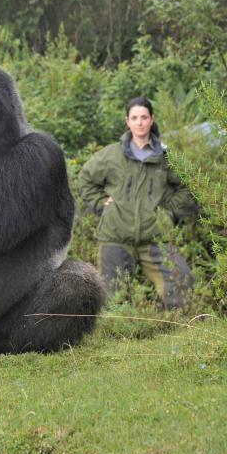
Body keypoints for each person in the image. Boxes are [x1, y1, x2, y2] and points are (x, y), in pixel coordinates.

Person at [78, 96, 196, 309]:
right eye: (134, 118)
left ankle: (174, 326)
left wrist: (168, 214)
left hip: (155, 236)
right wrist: (101, 202)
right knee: (112, 298)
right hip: (115, 235)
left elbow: (189, 186)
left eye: (144, 117)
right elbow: (86, 179)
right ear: (127, 121)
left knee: (181, 282)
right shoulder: (111, 155)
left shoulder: (165, 156)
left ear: (151, 120)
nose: (139, 122)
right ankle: (118, 336)